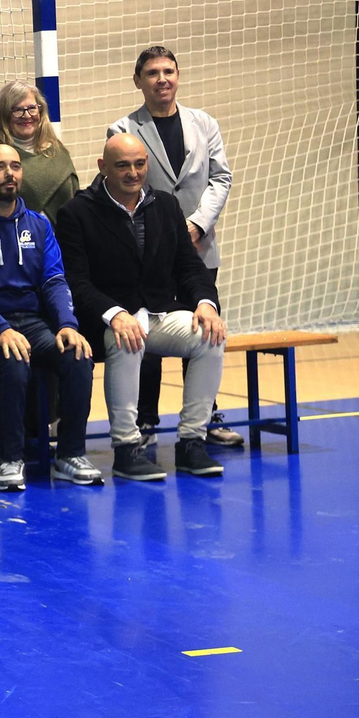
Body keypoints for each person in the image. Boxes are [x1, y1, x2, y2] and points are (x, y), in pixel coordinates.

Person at [54, 134, 227, 480]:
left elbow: (189, 268)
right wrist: (114, 314)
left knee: (210, 337)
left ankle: (192, 442)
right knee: (127, 338)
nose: (132, 173)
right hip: (104, 322)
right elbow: (76, 281)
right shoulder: (76, 212)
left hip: (160, 313)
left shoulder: (166, 205)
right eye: (122, 166)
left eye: (139, 164)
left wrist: (206, 304)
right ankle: (127, 449)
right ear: (103, 167)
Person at [0, 144, 101, 491]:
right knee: (13, 361)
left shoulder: (38, 224)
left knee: (77, 356)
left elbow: (54, 279)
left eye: (15, 166)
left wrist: (67, 325)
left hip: (31, 322)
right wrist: (0, 329)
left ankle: (71, 454)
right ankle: (10, 458)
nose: (9, 173)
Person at [107, 46, 240, 449]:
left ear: (178, 76)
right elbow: (127, 186)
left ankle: (206, 418)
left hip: (200, 246)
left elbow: (221, 178)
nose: (161, 79)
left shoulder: (205, 123)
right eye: (152, 73)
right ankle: (145, 421)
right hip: (148, 252)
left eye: (168, 71)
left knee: (204, 327)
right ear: (138, 81)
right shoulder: (123, 128)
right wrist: (170, 232)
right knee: (147, 332)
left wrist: (197, 224)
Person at [0, 81, 80, 226]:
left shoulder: (58, 151)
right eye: (17, 110)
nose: (26, 115)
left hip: (60, 237)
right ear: (3, 114)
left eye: (32, 108)